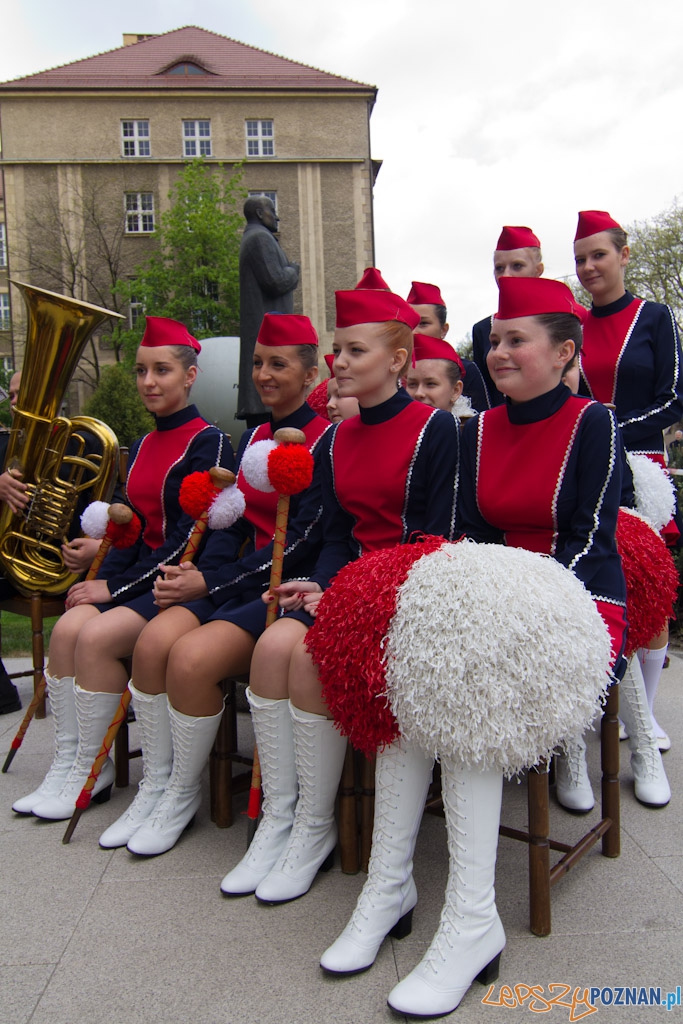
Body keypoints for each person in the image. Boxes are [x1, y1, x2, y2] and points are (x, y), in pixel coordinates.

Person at [375, 276, 629, 1018]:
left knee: (470, 681)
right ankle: (392, 886)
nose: (498, 352)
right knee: (419, 666)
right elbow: (460, 539)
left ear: (563, 352)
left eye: (516, 339)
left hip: (578, 602)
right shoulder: (470, 429)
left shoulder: (593, 423)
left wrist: (517, 606)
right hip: (492, 602)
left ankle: (470, 919)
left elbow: (589, 541)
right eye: (493, 340)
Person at [220, 280, 459, 958]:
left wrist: (350, 595)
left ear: (397, 358)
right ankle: (287, 822)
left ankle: (315, 825)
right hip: (343, 587)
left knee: (304, 657)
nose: (339, 363)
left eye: (354, 350)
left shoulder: (435, 428)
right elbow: (331, 535)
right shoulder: (336, 439)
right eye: (335, 350)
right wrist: (315, 583)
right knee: (271, 649)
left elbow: (434, 536)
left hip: (405, 592)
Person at [98, 313, 332, 856]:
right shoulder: (251, 436)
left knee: (190, 660)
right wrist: (198, 574)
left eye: (278, 364)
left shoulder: (327, 440)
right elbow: (231, 526)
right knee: (155, 642)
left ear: (310, 372)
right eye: (257, 363)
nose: (264, 374)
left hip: (280, 587)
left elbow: (299, 543)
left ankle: (186, 794)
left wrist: (211, 581)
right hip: (233, 578)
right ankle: (160, 787)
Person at [12, 317, 233, 818]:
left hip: (175, 587)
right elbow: (135, 530)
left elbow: (184, 544)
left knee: (92, 637)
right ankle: (74, 763)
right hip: (136, 576)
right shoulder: (141, 444)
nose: (148, 382)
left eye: (161, 370)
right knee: (68, 627)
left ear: (190, 375)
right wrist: (103, 562)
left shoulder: (209, 443)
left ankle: (94, 768)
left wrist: (112, 587)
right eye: (140, 371)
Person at [573, 208, 681, 775]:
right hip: (588, 468)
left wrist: (607, 426)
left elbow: (674, 400)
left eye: (599, 255)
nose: (589, 267)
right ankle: (600, 700)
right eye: (581, 259)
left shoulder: (657, 317)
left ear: (624, 255)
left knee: (651, 588)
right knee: (599, 574)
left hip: (644, 468)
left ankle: (648, 710)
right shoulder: (570, 324)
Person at [238, 196, 300, 426]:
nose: (276, 216)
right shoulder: (259, 238)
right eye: (271, 210)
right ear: (258, 212)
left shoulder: (257, 238)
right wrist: (293, 271)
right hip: (269, 334)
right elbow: (276, 281)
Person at [472, 225, 545, 407]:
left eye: (517, 266)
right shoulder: (483, 329)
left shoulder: (563, 319)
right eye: (499, 268)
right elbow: (485, 395)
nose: (506, 275)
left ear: (538, 270)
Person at [406, 281, 490, 411]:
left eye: (423, 323)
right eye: (409, 323)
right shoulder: (393, 370)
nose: (414, 331)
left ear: (444, 329)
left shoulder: (466, 370)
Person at [405, 333, 472, 419]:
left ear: (456, 390)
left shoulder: (471, 431)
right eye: (412, 384)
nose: (418, 393)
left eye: (430, 384)